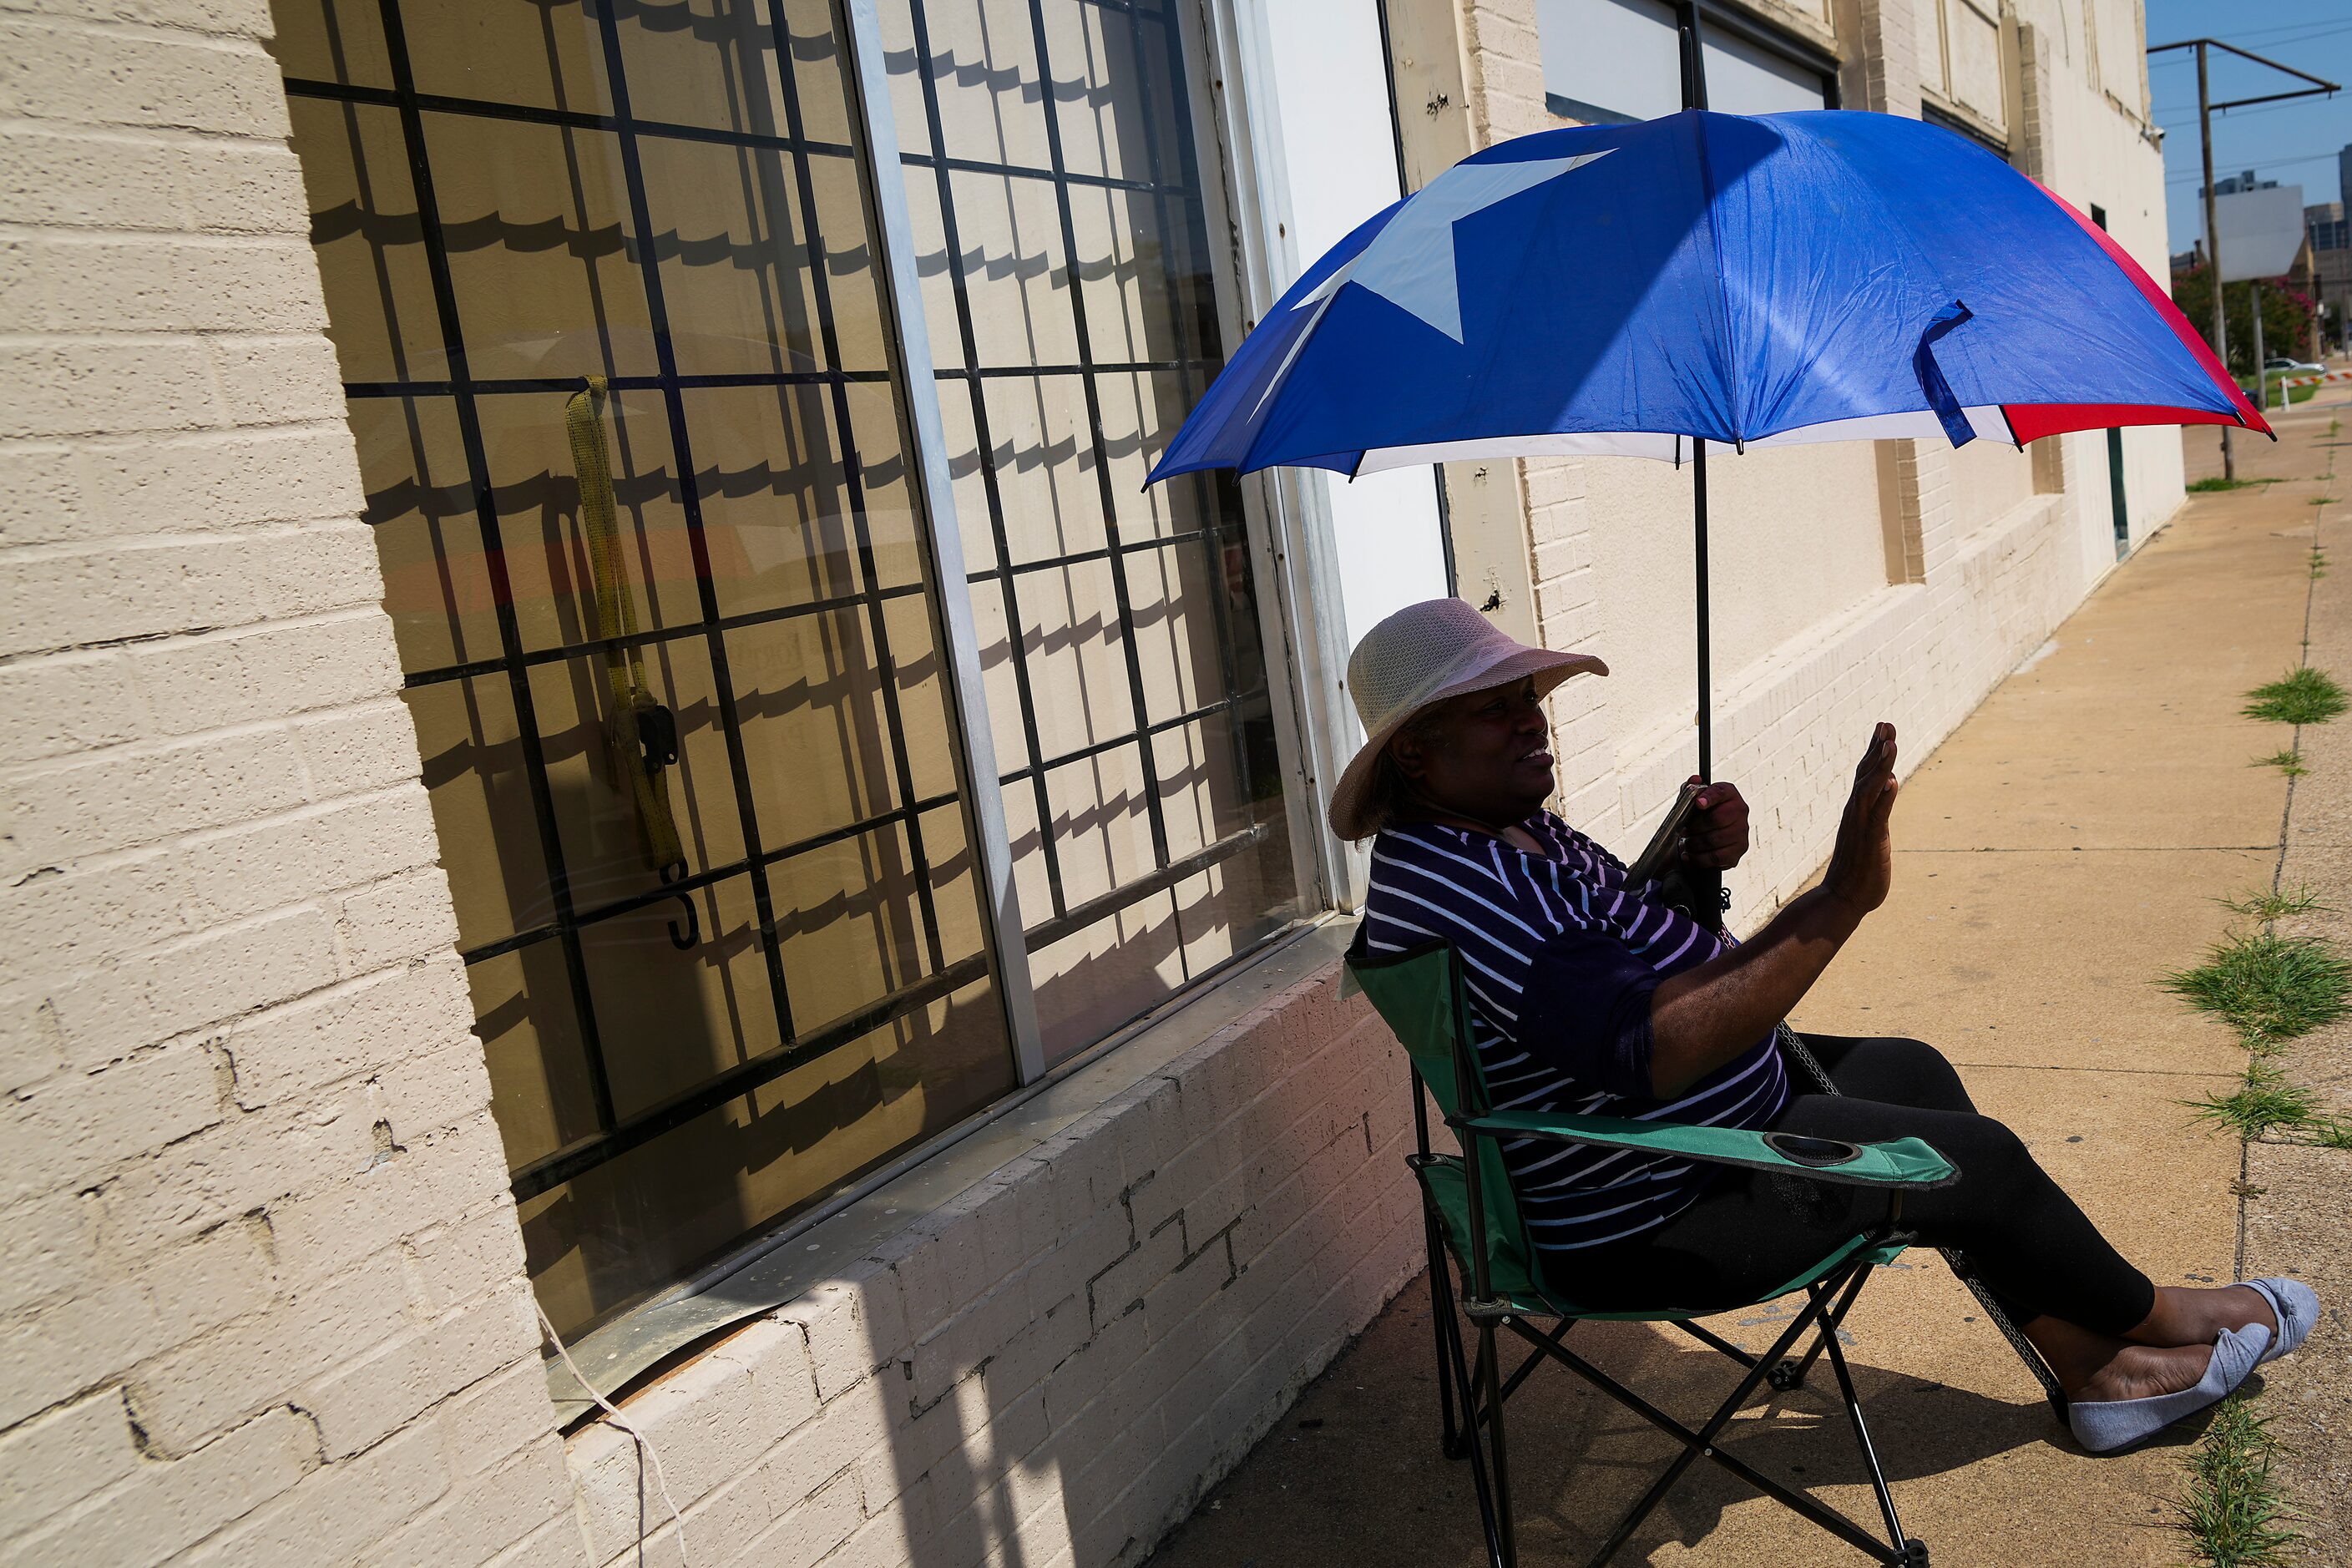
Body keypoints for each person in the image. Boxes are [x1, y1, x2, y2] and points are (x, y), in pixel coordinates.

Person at [1338, 597, 2319, 1454]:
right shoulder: (1466, 888)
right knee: (1973, 1162)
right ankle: (2157, 1315)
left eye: (1529, 698)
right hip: (1655, 1202)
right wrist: (1838, 901)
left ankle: (2101, 1373)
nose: (1529, 722)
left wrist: (1691, 870)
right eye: (1492, 708)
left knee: (1914, 1072)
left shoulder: (1506, 829)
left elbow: (1608, 962)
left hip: (1693, 1139)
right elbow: (1651, 1047)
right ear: (1414, 751)